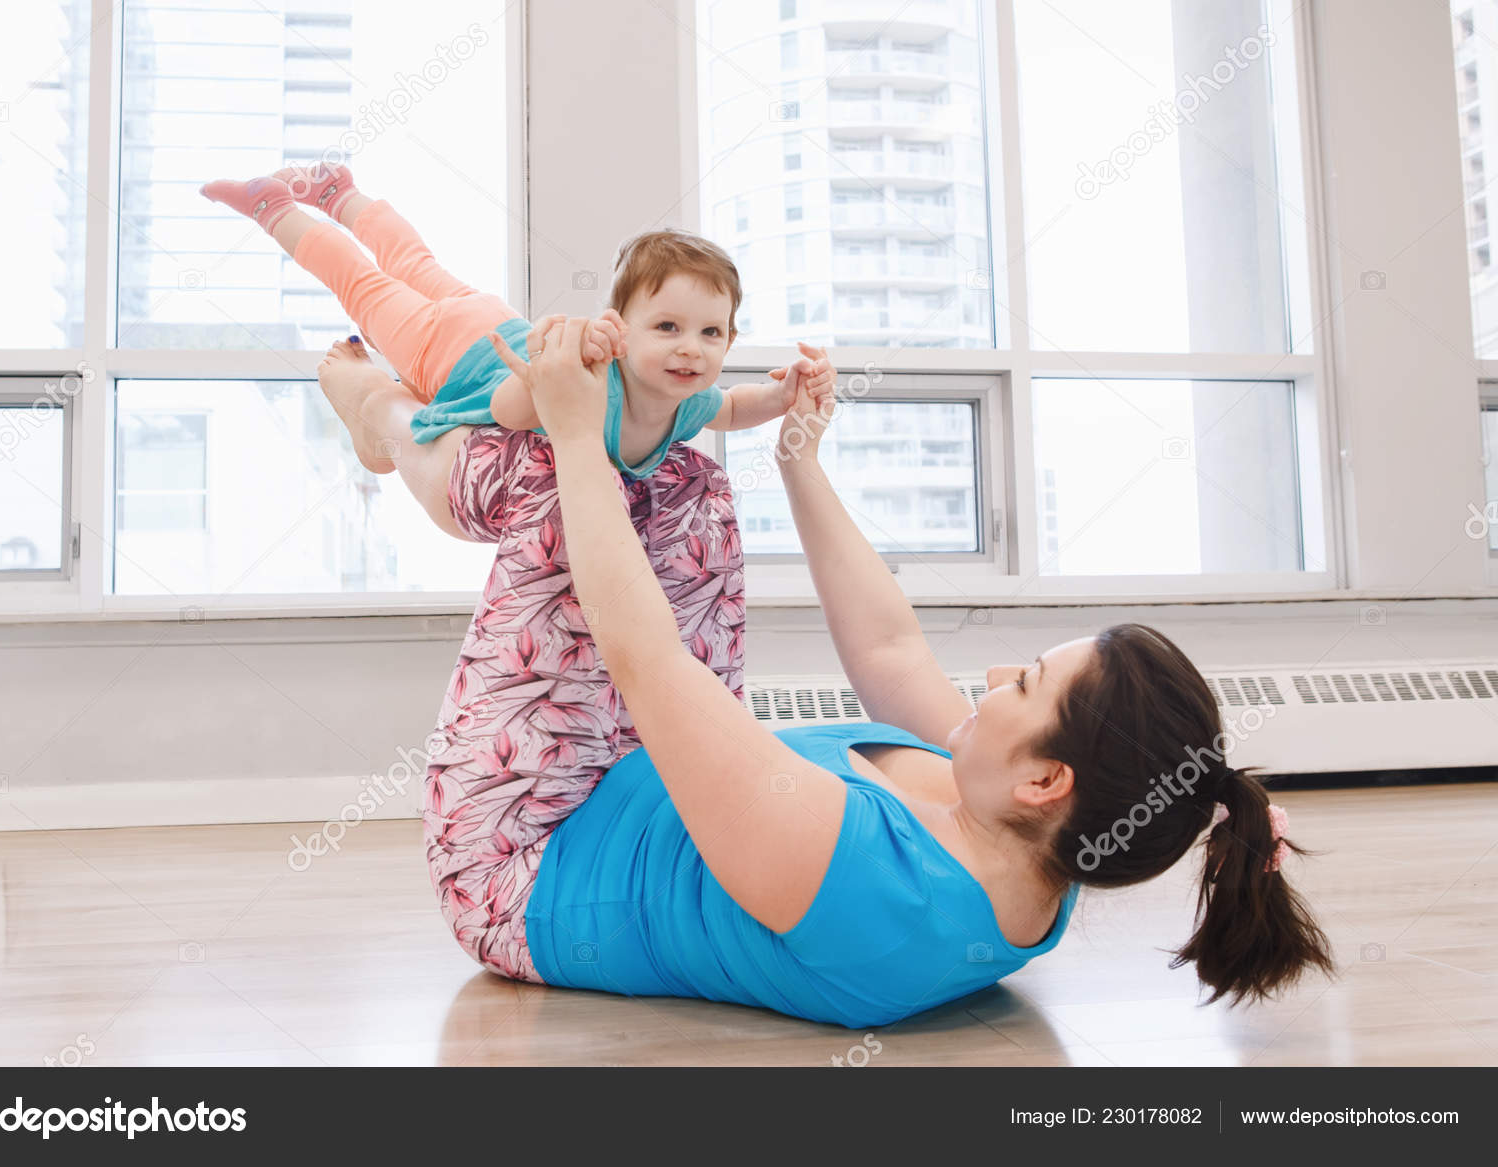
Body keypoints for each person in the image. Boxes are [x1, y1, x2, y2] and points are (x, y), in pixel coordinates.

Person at [315, 320, 1335, 1028]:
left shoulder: (873, 885)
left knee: (550, 483)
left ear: (1046, 779)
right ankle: (443, 407)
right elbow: (890, 650)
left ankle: (386, 421)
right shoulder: (1031, 845)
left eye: (1023, 683)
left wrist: (577, 429)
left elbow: (643, 657)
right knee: (686, 485)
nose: (993, 676)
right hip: (629, 783)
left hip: (524, 856)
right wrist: (798, 455)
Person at [199, 163, 833, 543]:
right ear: (618, 328)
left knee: (412, 263)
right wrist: (559, 373)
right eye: (667, 327)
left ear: (729, 340)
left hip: (494, 320)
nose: (690, 350)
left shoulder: (686, 404)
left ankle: (340, 193)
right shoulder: (593, 376)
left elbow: (735, 408)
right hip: (447, 354)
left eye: (711, 334)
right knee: (363, 283)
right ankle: (273, 207)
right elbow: (506, 409)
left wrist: (784, 395)